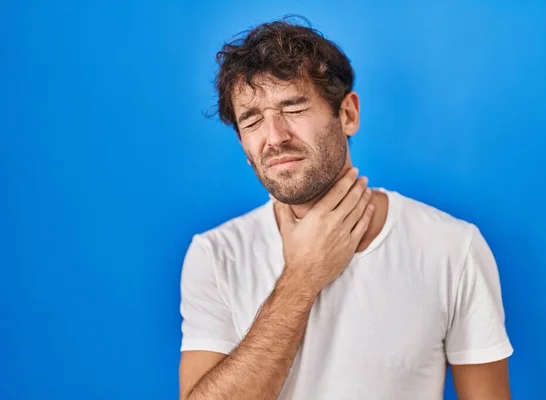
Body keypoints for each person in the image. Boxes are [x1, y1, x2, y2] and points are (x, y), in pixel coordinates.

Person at [178, 16, 513, 400]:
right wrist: (302, 277)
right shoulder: (215, 255)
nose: (274, 137)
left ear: (348, 114)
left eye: (293, 107)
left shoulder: (453, 247)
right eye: (252, 120)